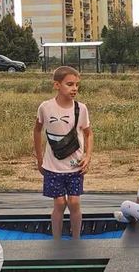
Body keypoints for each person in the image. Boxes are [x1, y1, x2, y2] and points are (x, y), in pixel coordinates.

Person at [32, 65, 93, 239]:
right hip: (53, 166)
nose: (74, 88)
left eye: (77, 85)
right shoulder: (45, 107)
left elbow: (88, 133)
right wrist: (39, 158)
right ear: (57, 85)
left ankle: (76, 239)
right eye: (69, 84)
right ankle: (56, 239)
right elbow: (37, 130)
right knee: (59, 203)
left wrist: (87, 157)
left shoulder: (81, 109)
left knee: (74, 202)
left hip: (75, 166)